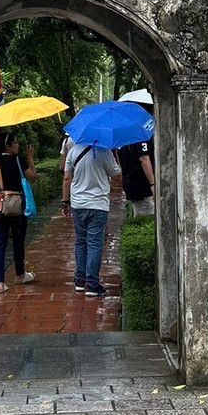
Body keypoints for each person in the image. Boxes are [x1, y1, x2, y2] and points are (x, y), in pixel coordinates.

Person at [61, 140, 121, 297]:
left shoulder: (73, 151)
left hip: (78, 204)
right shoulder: (104, 151)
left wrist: (65, 202)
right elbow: (117, 175)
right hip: (97, 204)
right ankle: (92, 284)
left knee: (81, 241)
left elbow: (67, 178)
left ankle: (80, 280)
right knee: (94, 243)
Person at [0, 131, 37, 294]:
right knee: (18, 241)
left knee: (0, 243)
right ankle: (20, 275)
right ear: (8, 146)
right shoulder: (17, 160)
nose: (18, 145)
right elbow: (33, 177)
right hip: (17, 208)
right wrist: (30, 158)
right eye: (15, 143)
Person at [116, 89, 156, 216]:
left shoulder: (124, 133)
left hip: (130, 183)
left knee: (138, 213)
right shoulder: (140, 134)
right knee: (145, 215)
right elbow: (144, 159)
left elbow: (118, 156)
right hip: (142, 187)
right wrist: (153, 183)